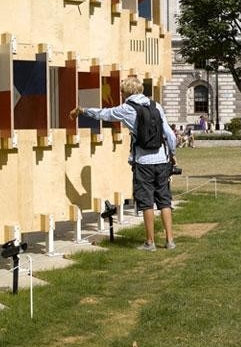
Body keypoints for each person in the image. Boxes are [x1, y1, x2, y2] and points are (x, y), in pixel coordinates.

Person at [70, 76, 177, 251]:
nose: (120, 94)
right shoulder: (156, 105)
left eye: (121, 91)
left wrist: (83, 110)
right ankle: (170, 240)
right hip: (162, 159)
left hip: (143, 161)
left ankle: (150, 242)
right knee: (165, 200)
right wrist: (172, 154)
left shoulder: (126, 108)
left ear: (126, 92)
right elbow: (169, 134)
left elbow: (103, 113)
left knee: (147, 202)